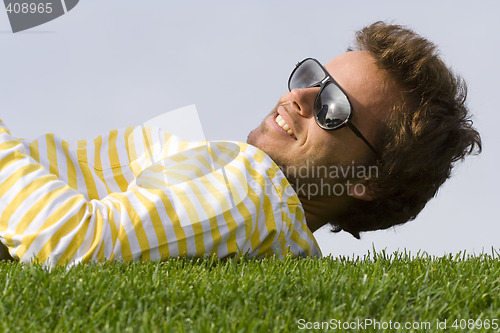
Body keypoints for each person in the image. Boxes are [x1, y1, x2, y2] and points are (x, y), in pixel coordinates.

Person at [0, 22, 481, 265]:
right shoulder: (271, 233)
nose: (298, 96)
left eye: (333, 107)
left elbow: (71, 239)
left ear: (367, 183)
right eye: (314, 78)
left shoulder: (258, 193)